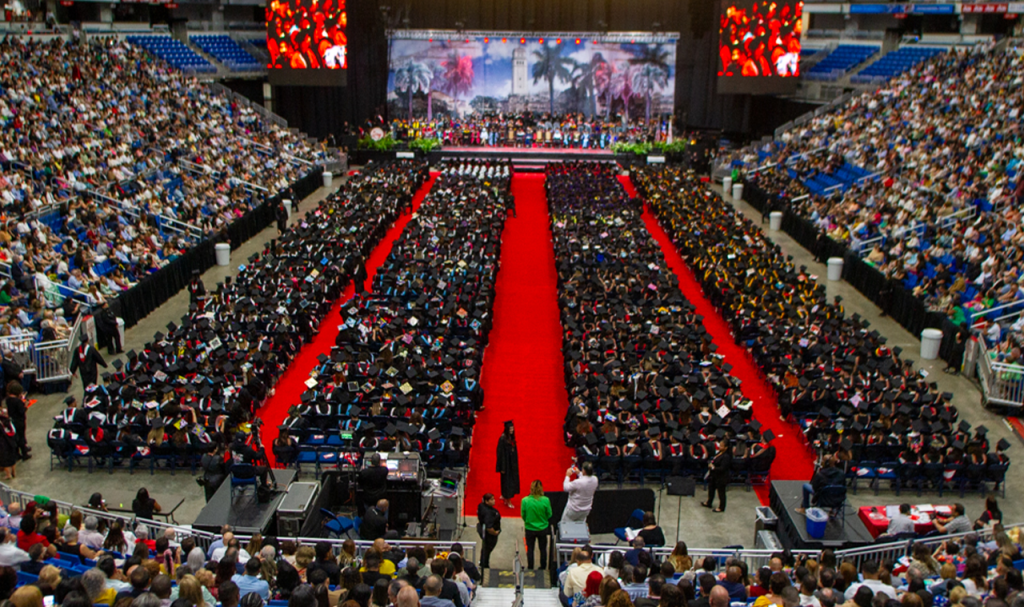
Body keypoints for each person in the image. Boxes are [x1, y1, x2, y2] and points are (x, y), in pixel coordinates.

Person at [520, 480, 552, 570]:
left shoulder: (525, 500)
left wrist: (529, 521)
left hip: (530, 528)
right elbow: (549, 514)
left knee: (530, 549)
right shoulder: (546, 500)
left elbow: (523, 515)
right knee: (543, 549)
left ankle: (530, 567)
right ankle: (543, 566)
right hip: (542, 528)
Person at [702, 438, 732, 513]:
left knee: (721, 493)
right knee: (711, 489)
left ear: (726, 447)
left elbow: (723, 468)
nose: (719, 447)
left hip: (721, 477)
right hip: (714, 476)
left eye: (721, 446)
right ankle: (709, 502)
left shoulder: (726, 457)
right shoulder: (719, 453)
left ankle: (721, 507)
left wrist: (713, 467)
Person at [495, 421, 520, 508]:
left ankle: (505, 496)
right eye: (510, 428)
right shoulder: (503, 439)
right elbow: (500, 453)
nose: (512, 430)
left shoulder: (511, 438)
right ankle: (507, 499)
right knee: (507, 482)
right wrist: (502, 466)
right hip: (506, 464)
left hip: (512, 463)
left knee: (509, 481)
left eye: (513, 428)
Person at [476, 494, 501, 571]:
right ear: (486, 501)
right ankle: (484, 565)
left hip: (482, 530)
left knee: (485, 549)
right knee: (487, 549)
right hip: (489, 535)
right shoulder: (489, 513)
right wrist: (495, 533)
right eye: (492, 499)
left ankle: (483, 563)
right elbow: (489, 528)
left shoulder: (481, 506)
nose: (494, 501)